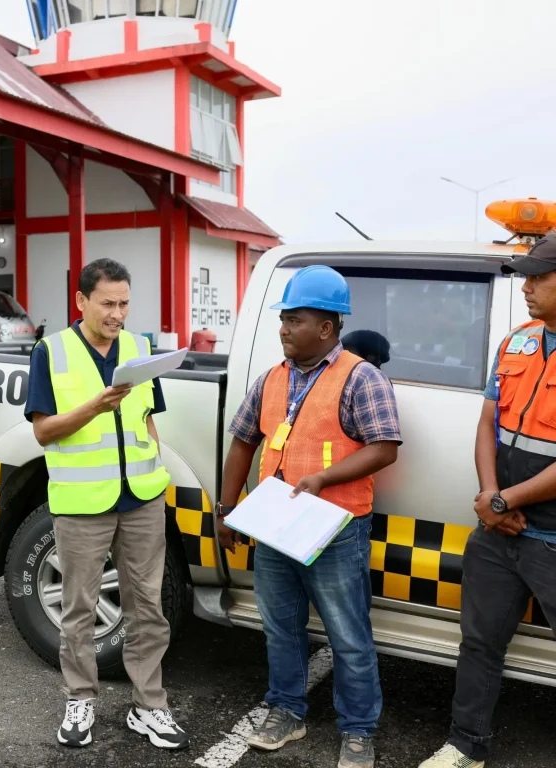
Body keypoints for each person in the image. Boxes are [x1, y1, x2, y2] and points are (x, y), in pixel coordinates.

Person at [216, 265, 401, 768]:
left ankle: (359, 731)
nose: (283, 328)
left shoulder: (362, 378)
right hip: (275, 525)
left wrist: (324, 479)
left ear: (326, 327)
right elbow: (243, 442)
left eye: (294, 320)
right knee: (280, 626)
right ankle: (286, 711)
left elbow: (384, 448)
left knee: (348, 635)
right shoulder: (272, 379)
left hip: (336, 528)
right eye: (282, 318)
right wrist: (226, 507)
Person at [26, 258, 188, 751]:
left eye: (124, 303)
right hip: (81, 502)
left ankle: (149, 707)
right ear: (81, 301)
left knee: (148, 605)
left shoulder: (139, 349)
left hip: (141, 498)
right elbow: (43, 431)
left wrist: (154, 471)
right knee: (80, 609)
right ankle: (80, 700)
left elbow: (148, 418)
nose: (118, 313)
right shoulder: (50, 352)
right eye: (107, 303)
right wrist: (95, 406)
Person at [419, 236, 556, 768]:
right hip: (499, 531)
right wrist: (490, 498)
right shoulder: (517, 342)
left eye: (538, 277)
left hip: (548, 536)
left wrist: (502, 500)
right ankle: (464, 745)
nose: (526, 288)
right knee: (478, 643)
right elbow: (487, 423)